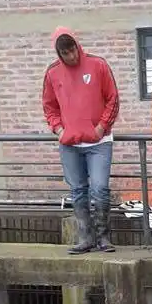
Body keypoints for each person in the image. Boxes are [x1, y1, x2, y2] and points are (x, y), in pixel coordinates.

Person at [42, 28, 119, 254]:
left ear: (78, 45)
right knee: (77, 190)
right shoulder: (52, 73)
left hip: (99, 142)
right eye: (66, 53)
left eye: (73, 50)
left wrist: (102, 127)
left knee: (100, 188)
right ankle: (86, 237)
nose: (72, 56)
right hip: (70, 144)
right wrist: (58, 129)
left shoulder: (98, 65)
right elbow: (49, 106)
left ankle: (104, 237)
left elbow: (112, 98)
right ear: (59, 54)